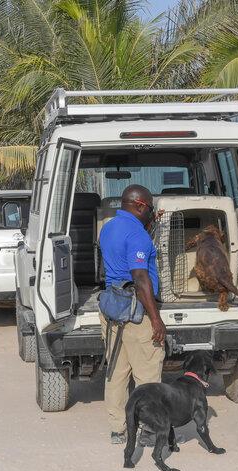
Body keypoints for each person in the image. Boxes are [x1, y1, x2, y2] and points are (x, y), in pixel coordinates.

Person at [99, 184, 166, 444]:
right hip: (137, 314)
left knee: (116, 372)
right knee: (147, 375)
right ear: (140, 205)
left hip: (113, 310)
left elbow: (123, 256)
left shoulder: (109, 227)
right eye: (150, 208)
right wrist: (156, 319)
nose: (152, 212)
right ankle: (148, 430)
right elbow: (140, 278)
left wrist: (146, 228)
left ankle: (118, 429)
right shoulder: (138, 235)